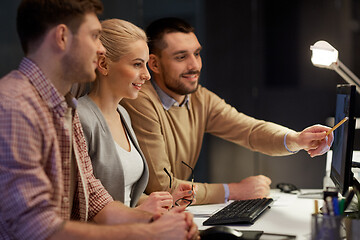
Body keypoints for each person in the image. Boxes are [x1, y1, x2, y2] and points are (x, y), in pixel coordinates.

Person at [0, 2, 198, 240]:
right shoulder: (13, 106)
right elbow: (34, 226)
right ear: (62, 37)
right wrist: (149, 232)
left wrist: (162, 220)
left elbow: (95, 200)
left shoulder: (64, 106)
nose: (101, 49)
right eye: (94, 36)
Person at [121, 17, 334, 205]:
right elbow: (163, 188)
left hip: (176, 212)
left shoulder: (199, 98)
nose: (194, 65)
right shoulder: (140, 100)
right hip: (146, 219)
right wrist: (234, 191)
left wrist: (298, 139)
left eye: (196, 54)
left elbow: (250, 130)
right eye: (181, 57)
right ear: (155, 64)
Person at [77, 18, 195, 214]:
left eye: (146, 64)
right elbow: (84, 205)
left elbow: (125, 195)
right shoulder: (81, 119)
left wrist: (166, 201)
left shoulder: (122, 113)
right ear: (104, 64)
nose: (147, 75)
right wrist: (140, 213)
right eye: (137, 64)